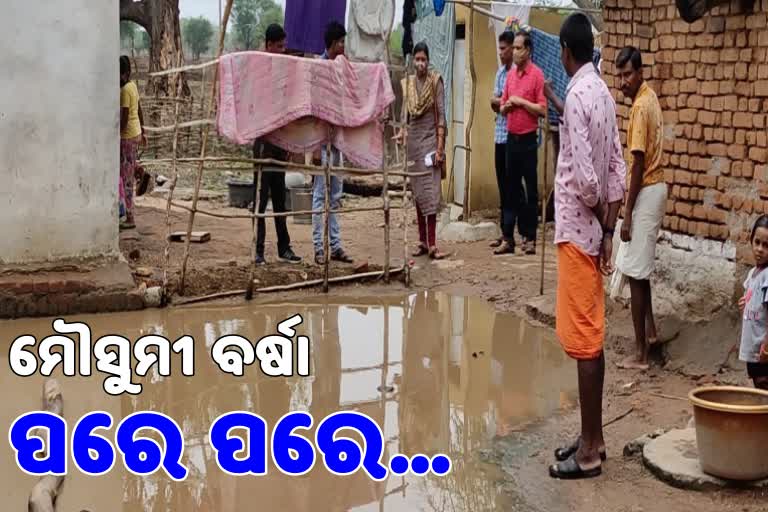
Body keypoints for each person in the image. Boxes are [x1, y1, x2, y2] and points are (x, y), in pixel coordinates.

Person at [549, 13, 626, 480]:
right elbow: (616, 165)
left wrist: (600, 216)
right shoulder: (604, 93)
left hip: (580, 230)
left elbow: (586, 177)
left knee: (585, 341)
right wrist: (611, 224)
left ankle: (592, 452)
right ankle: (591, 435)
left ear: (563, 50)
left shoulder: (578, 95)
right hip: (593, 231)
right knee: (588, 334)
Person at [612, 47, 667, 371]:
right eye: (619, 75)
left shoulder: (640, 108)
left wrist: (627, 212)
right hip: (652, 188)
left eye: (628, 74)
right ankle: (651, 333)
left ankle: (640, 354)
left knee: (634, 272)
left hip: (646, 189)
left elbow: (637, 162)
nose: (623, 82)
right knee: (640, 269)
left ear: (640, 72)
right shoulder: (648, 98)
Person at [252, 24, 302, 265]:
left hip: (279, 145)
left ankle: (284, 248)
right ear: (268, 45)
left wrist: (289, 144)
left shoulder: (283, 75)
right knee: (261, 199)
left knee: (280, 199)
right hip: (263, 144)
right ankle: (258, 251)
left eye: (284, 46)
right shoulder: (260, 71)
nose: (283, 50)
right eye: (279, 46)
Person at [398, 42, 449, 260]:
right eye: (417, 59)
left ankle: (433, 244)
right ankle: (422, 241)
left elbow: (441, 115)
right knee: (418, 195)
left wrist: (439, 148)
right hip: (413, 146)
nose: (420, 63)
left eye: (423, 59)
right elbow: (404, 116)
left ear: (428, 61)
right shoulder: (407, 84)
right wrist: (401, 133)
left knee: (431, 193)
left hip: (430, 143)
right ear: (413, 61)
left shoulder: (435, 82)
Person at [499, 31, 547, 255]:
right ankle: (508, 237)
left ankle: (530, 238)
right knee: (511, 188)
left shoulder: (536, 75)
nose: (514, 52)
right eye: (514, 48)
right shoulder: (510, 76)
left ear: (527, 50)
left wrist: (520, 101)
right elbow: (501, 105)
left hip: (528, 140)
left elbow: (542, 109)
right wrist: (507, 106)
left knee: (530, 191)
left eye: (518, 48)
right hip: (511, 139)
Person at [311, 21, 353, 265]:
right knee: (320, 196)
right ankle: (319, 248)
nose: (343, 47)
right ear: (332, 43)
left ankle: (335, 246)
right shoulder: (319, 67)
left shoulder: (341, 68)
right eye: (340, 43)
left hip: (337, 142)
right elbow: (313, 109)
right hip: (322, 142)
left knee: (335, 195)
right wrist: (315, 147)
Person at [489, 30, 516, 251]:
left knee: (512, 187)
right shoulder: (500, 73)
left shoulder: (516, 74)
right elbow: (495, 102)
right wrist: (500, 102)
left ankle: (510, 236)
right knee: (502, 185)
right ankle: (504, 232)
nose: (501, 52)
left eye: (503, 48)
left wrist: (501, 102)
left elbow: (507, 104)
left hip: (513, 137)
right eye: (499, 48)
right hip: (499, 135)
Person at [738, 215, 768, 390]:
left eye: (766, 245)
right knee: (759, 384)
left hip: (762, 350)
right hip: (753, 347)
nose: (759, 249)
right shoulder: (753, 273)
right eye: (757, 242)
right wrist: (746, 303)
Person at [119, 55, 146, 230]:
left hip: (127, 136)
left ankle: (130, 217)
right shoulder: (133, 86)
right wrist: (143, 130)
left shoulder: (124, 91)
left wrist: (116, 134)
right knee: (126, 168)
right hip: (135, 133)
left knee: (126, 178)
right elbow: (140, 108)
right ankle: (138, 169)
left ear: (125, 73)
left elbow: (125, 116)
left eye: (119, 74)